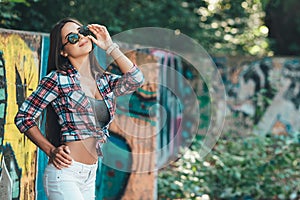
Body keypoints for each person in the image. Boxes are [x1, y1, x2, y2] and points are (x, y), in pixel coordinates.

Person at [14, 17, 144, 200]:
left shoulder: (104, 81)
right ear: (63, 51)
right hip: (65, 173)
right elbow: (24, 117)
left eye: (81, 32)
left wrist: (110, 46)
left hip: (90, 174)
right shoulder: (58, 80)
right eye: (72, 38)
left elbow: (136, 79)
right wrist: (51, 150)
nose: (80, 38)